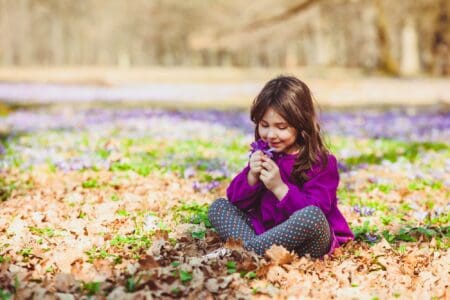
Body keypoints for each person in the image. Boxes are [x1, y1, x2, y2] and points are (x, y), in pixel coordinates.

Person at [207, 75, 353, 258]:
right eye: (264, 125)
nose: (270, 134)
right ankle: (255, 251)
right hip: (266, 233)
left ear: (300, 124)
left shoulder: (321, 162)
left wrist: (279, 188)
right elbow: (237, 202)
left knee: (312, 216)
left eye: (281, 127)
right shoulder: (266, 154)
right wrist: (251, 176)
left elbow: (318, 211)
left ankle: (246, 251)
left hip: (310, 243)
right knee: (219, 207)